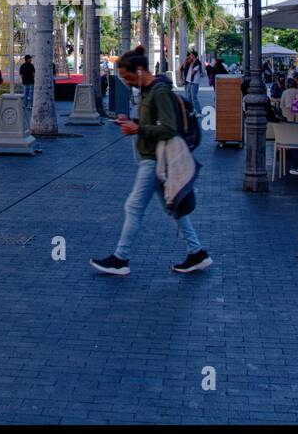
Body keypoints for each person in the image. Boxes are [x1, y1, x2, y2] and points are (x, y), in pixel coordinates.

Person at [90, 50, 210, 277]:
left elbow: (170, 128)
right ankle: (197, 252)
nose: (126, 82)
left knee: (133, 207)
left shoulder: (160, 91)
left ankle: (120, 258)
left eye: (127, 76)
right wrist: (132, 122)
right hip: (151, 158)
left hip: (155, 160)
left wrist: (138, 128)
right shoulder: (146, 91)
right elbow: (152, 122)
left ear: (139, 70)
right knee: (173, 207)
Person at [182, 51, 206, 116]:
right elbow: (183, 67)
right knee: (189, 97)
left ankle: (199, 112)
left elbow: (193, 72)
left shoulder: (197, 63)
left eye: (191, 55)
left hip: (194, 82)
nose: (190, 56)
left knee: (194, 97)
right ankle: (191, 111)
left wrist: (192, 65)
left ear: (194, 56)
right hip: (189, 81)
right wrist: (186, 60)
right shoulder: (191, 61)